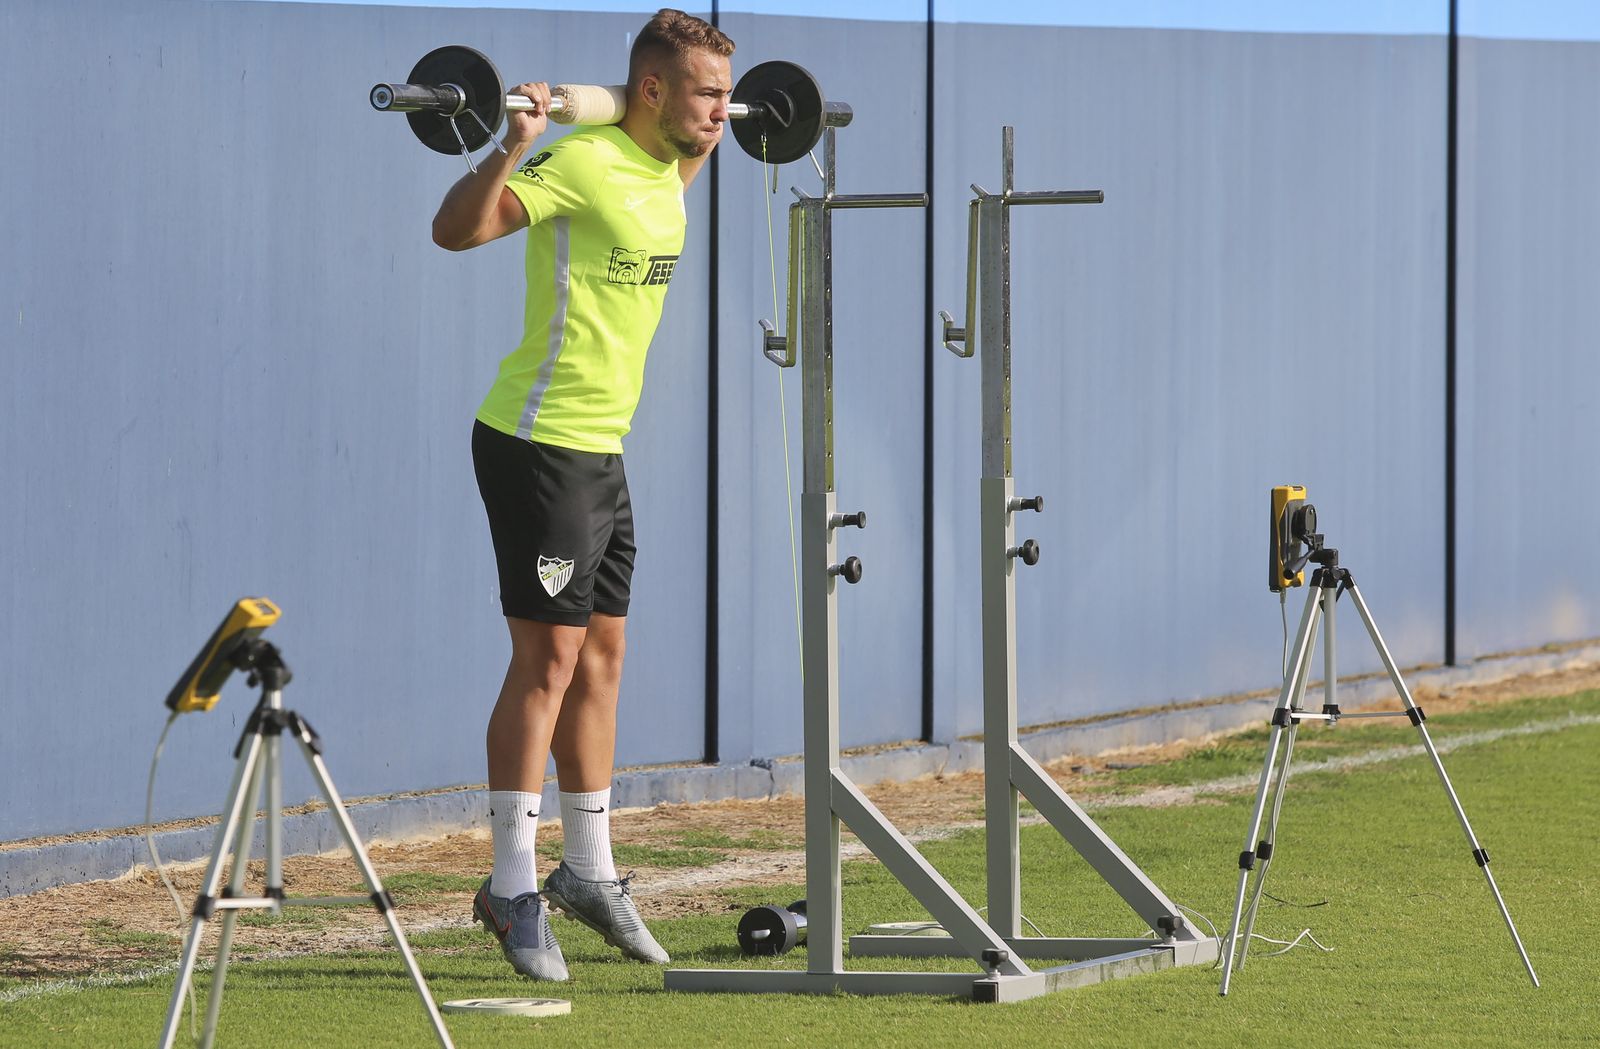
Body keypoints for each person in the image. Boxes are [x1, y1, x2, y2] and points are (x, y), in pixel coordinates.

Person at [430, 9, 734, 982]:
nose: (723, 112)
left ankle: (589, 869)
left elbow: (668, 155)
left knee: (603, 653)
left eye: (728, 93)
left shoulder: (669, 166)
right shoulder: (584, 162)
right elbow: (455, 231)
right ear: (652, 90)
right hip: (535, 441)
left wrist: (671, 116)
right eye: (707, 92)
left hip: (601, 449)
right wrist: (515, 143)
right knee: (548, 659)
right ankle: (510, 884)